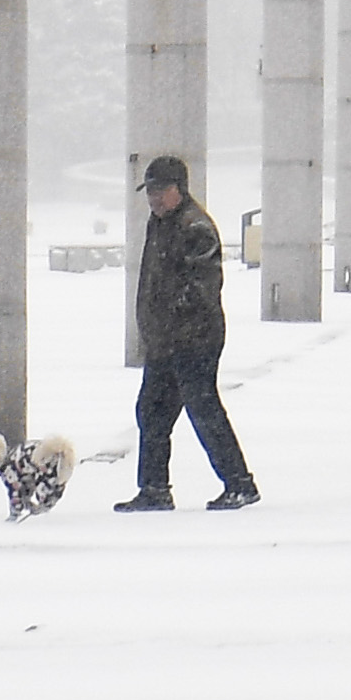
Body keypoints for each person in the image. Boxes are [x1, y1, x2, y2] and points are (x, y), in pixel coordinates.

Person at [117, 154, 257, 514]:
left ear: (179, 189)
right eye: (149, 191)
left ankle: (239, 484)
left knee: (203, 409)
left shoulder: (195, 227)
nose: (154, 198)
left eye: (161, 190)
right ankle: (154, 489)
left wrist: (170, 319)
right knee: (152, 412)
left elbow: (202, 288)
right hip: (166, 341)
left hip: (194, 339)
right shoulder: (160, 223)